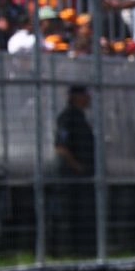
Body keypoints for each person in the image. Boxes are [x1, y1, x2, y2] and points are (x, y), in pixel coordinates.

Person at [52, 84, 95, 257]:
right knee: (70, 215)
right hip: (71, 177)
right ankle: (68, 251)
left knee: (84, 215)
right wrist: (77, 167)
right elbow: (61, 147)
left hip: (82, 177)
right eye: (86, 95)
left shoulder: (80, 117)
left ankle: (84, 251)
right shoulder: (68, 117)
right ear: (77, 96)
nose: (89, 99)